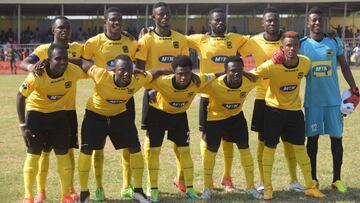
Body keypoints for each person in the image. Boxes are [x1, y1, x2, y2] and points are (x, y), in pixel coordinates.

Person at [73, 54, 172, 203]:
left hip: (119, 115)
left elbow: (156, 72)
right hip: (95, 115)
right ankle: (84, 194)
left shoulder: (137, 79)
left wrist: (177, 70)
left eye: (129, 70)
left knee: (135, 149)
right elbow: (81, 61)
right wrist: (51, 61)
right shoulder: (101, 75)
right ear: (114, 70)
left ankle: (138, 191)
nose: (126, 73)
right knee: (87, 151)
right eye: (121, 70)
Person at [253, 31, 325, 200]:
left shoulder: (305, 63)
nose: (292, 48)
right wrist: (269, 60)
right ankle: (268, 188)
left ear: (299, 46)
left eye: (295, 45)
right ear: (282, 47)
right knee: (269, 148)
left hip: (294, 112)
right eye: (288, 45)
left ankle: (310, 186)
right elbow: (250, 75)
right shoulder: (271, 65)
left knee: (300, 148)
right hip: (273, 111)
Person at [239, 7, 303, 193]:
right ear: (263, 23)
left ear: (279, 22)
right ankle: (263, 181)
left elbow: (302, 47)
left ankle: (294, 180)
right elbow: (235, 48)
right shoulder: (253, 41)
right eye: (269, 20)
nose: (272, 23)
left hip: (287, 99)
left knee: (289, 142)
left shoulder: (287, 40)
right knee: (263, 142)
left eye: (275, 20)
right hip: (263, 99)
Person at [19, 16, 83, 203]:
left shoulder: (78, 48)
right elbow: (24, 64)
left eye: (67, 28)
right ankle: (40, 191)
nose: (64, 31)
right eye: (60, 28)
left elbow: (86, 61)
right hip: (44, 110)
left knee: (68, 150)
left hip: (67, 109)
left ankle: (70, 189)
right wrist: (33, 66)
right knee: (43, 153)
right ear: (53, 31)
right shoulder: (42, 50)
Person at [186, 8, 249, 192]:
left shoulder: (235, 39)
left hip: (229, 95)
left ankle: (227, 177)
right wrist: (146, 33)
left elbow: (257, 39)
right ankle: (209, 179)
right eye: (216, 20)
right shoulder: (201, 40)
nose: (220, 22)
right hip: (208, 97)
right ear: (210, 23)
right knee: (207, 139)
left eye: (223, 19)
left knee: (229, 140)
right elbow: (178, 39)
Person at [81, 7, 138, 200]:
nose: (116, 23)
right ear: (105, 21)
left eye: (119, 20)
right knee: (98, 146)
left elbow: (137, 66)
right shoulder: (93, 43)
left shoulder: (130, 42)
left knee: (128, 144)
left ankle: (126, 185)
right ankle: (98, 187)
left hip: (125, 99)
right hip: (103, 97)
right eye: (112, 20)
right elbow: (83, 63)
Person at [300, 7, 359, 193]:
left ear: (324, 22)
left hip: (333, 102)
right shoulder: (302, 45)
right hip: (313, 102)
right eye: (314, 20)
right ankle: (314, 179)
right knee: (312, 141)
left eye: (320, 20)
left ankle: (337, 179)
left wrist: (354, 88)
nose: (317, 23)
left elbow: (344, 66)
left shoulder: (334, 41)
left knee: (336, 140)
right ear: (308, 23)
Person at [143, 55, 217, 202]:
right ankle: (153, 189)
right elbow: (145, 78)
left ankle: (189, 188)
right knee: (154, 151)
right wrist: (154, 88)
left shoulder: (197, 81)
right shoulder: (163, 81)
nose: (183, 77)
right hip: (158, 115)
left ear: (192, 73)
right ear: (174, 73)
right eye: (180, 74)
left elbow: (215, 75)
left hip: (179, 117)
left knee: (185, 151)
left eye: (187, 73)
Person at [135, 2, 189, 198]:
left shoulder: (180, 39)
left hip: (177, 95)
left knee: (180, 142)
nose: (164, 17)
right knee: (153, 142)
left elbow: (185, 67)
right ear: (153, 17)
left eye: (167, 14)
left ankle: (181, 178)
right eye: (160, 14)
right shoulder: (146, 40)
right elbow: (139, 70)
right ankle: (152, 185)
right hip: (153, 96)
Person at [200, 56, 261, 200]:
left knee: (245, 149)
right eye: (232, 71)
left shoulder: (248, 82)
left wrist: (246, 73)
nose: (236, 74)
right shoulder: (214, 84)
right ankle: (207, 188)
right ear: (225, 71)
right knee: (211, 151)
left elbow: (260, 77)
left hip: (236, 118)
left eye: (240, 70)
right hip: (215, 119)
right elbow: (196, 81)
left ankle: (251, 187)